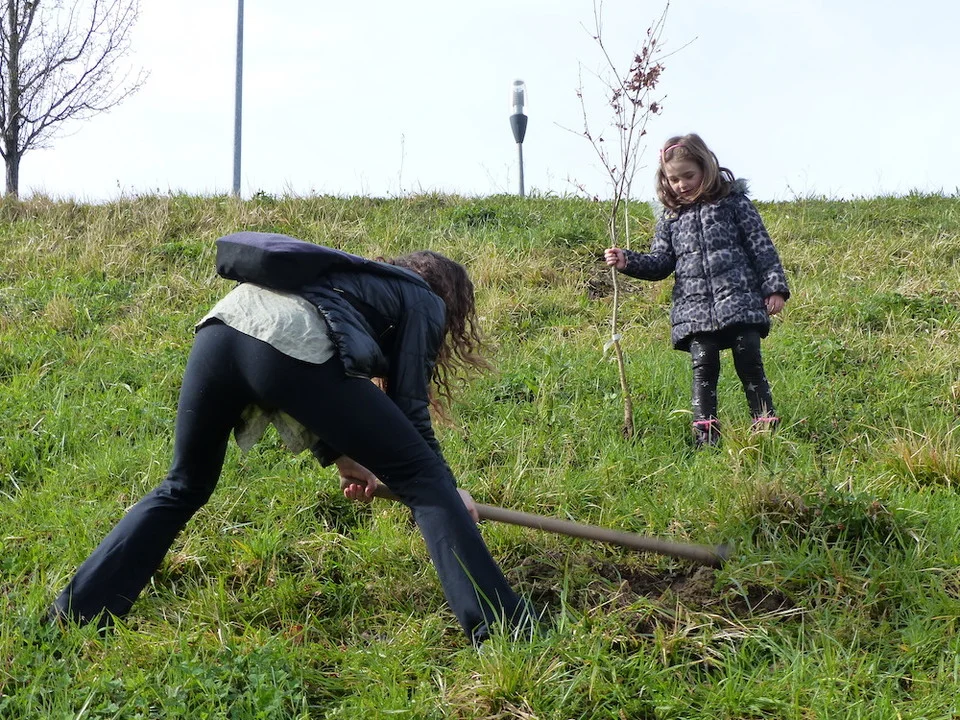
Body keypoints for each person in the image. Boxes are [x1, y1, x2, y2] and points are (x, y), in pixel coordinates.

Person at [50, 243, 531, 644]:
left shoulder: (345, 281)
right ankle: (502, 630)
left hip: (219, 331)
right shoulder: (424, 298)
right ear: (450, 296)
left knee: (183, 485)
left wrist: (342, 457)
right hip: (281, 344)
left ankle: (74, 616)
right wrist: (446, 489)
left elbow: (303, 376)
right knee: (424, 479)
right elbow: (406, 406)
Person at [604, 133, 790, 448]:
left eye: (688, 175)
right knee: (704, 365)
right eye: (673, 179)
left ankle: (765, 424)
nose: (681, 184)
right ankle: (705, 433)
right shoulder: (671, 218)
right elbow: (661, 262)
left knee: (749, 359)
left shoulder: (733, 203)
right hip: (695, 310)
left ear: (706, 167)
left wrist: (775, 288)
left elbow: (761, 248)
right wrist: (628, 261)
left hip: (739, 299)